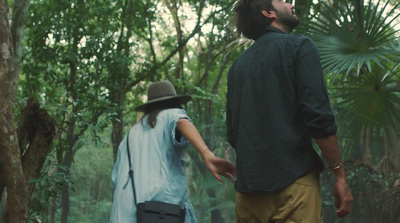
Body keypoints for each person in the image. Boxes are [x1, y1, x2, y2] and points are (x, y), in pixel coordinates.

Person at [225, 0, 353, 222]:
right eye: (282, 1)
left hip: (247, 198)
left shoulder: (237, 67)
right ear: (268, 12)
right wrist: (339, 175)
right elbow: (319, 119)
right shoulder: (299, 47)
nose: (291, 4)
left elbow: (233, 135)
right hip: (293, 190)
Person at [110, 80, 237, 223]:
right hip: (159, 213)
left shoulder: (129, 136)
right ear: (173, 102)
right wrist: (206, 153)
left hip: (122, 215)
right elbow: (181, 121)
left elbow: (116, 181)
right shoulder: (169, 114)